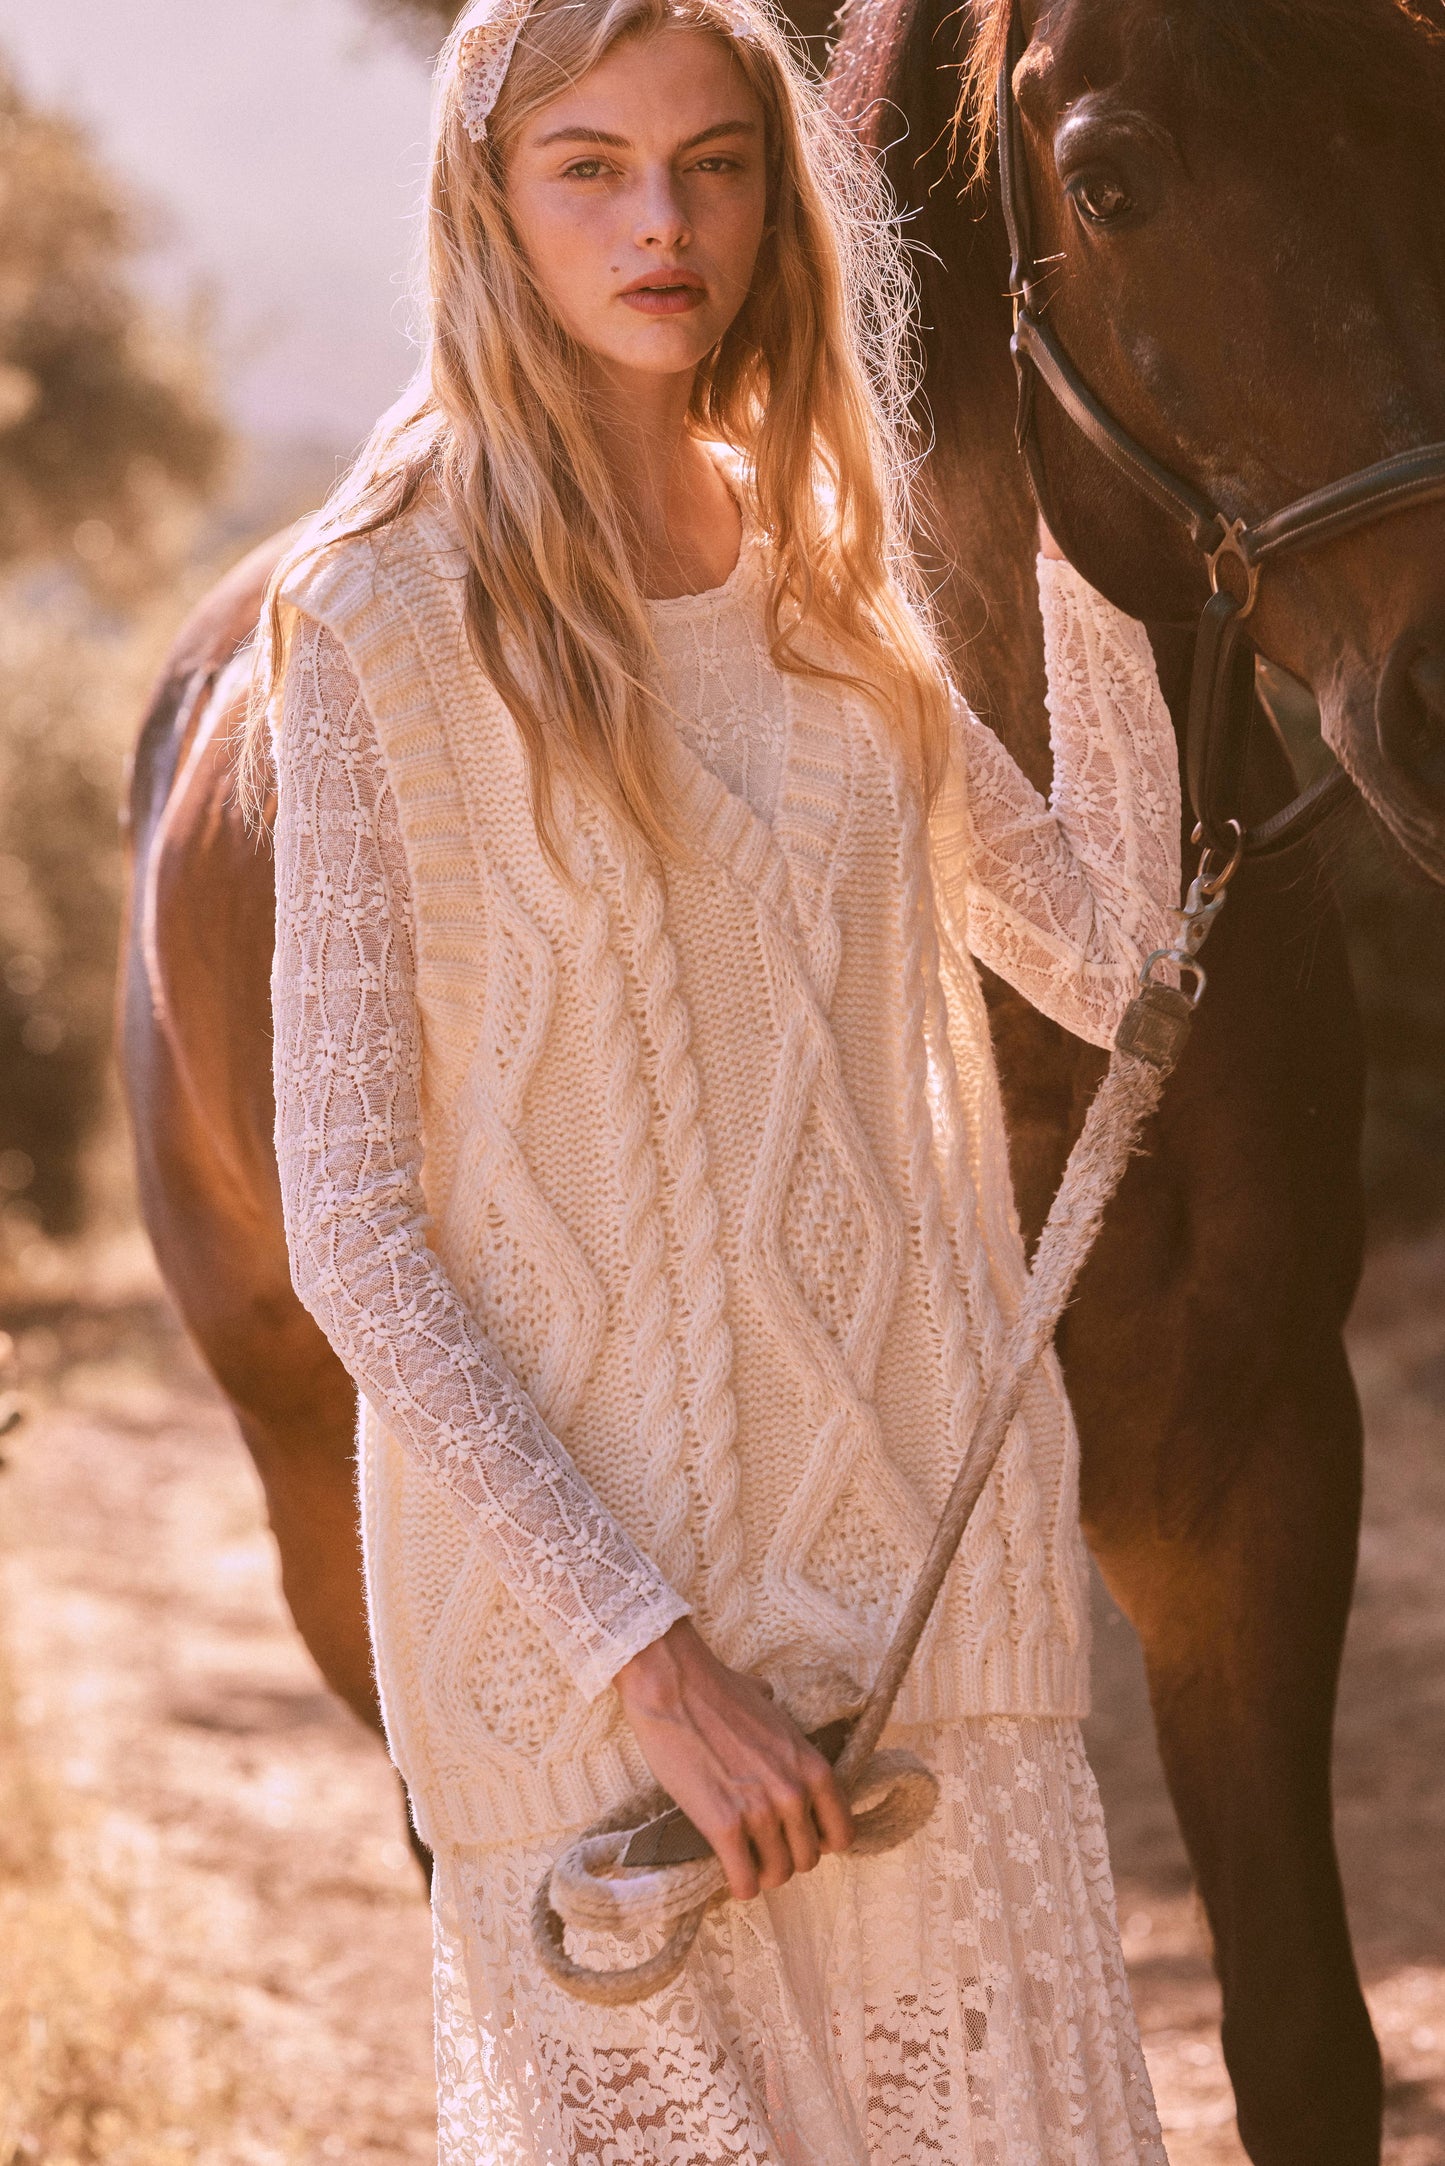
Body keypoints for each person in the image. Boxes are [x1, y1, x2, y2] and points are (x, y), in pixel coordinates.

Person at [249, 0, 1180, 2155]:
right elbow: (354, 1233)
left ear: (779, 196)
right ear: (490, 201)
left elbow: (1112, 963)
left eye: (716, 163)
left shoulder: (830, 578)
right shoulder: (378, 624)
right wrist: (650, 1664)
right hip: (600, 1707)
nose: (663, 221)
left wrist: (1086, 545)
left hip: (925, 1631)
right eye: (593, 165)